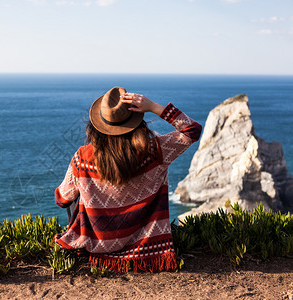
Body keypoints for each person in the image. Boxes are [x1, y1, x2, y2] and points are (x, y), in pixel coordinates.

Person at [54, 86, 202, 273]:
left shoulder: (82, 157)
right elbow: (193, 130)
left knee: (77, 192)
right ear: (137, 122)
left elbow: (62, 199)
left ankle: (84, 239)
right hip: (147, 249)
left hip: (98, 248)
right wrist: (153, 107)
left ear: (97, 125)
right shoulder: (156, 151)